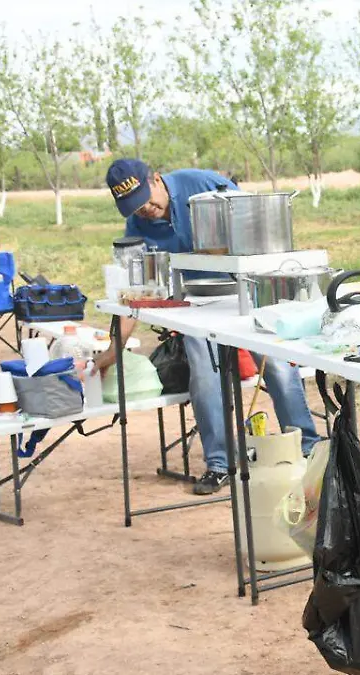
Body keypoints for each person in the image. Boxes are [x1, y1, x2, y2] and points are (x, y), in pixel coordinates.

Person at [95, 159, 321, 495]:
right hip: (195, 304)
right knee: (203, 370)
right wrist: (110, 354)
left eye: (146, 199)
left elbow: (256, 224)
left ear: (156, 178)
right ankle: (220, 463)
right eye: (134, 207)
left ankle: (307, 446)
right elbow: (137, 290)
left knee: (274, 360)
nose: (144, 210)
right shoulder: (137, 226)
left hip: (244, 289)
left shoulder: (202, 185)